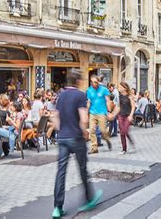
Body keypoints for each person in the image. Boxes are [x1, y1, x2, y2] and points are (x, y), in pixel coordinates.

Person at [52, 69, 103, 218]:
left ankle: (57, 207)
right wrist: (84, 131)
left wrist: (60, 130)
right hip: (76, 137)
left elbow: (55, 117)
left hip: (63, 138)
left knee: (61, 172)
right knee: (82, 169)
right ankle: (89, 199)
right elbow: (84, 118)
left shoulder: (60, 95)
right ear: (78, 81)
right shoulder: (80, 95)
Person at [86, 75, 112, 154]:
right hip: (92, 113)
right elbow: (89, 101)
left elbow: (108, 100)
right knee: (92, 130)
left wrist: (109, 112)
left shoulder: (104, 89)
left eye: (95, 82)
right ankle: (94, 148)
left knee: (103, 131)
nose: (94, 84)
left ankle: (107, 139)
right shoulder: (89, 90)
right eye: (92, 82)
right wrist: (87, 112)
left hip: (102, 113)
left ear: (98, 82)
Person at [116, 82, 136, 155]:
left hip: (127, 116)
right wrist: (114, 114)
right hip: (121, 115)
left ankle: (130, 140)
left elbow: (133, 106)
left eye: (121, 87)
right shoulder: (119, 95)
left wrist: (131, 115)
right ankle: (124, 149)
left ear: (124, 88)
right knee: (122, 132)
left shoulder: (130, 96)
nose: (119, 88)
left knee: (125, 131)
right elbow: (118, 106)